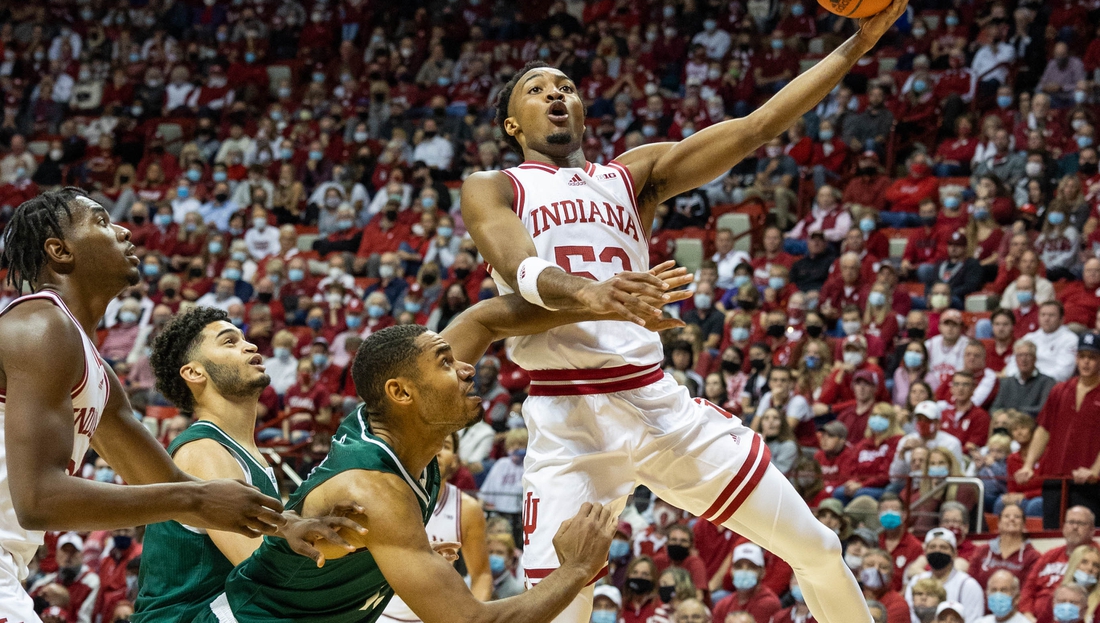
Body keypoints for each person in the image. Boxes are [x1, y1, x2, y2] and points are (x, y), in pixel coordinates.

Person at [459, 0, 916, 623]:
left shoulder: (631, 175)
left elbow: (756, 128)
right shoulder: (493, 185)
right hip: (568, 425)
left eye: (566, 86)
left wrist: (855, 45)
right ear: (512, 122)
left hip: (656, 404)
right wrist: (594, 295)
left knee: (817, 547)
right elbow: (520, 265)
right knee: (556, 613)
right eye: (537, 89)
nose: (556, 94)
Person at [196, 266, 690, 623]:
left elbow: (482, 321)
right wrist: (577, 569)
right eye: (446, 363)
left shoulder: (397, 418)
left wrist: (600, 299)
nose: (468, 368)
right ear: (402, 392)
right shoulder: (375, 490)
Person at [0, 189, 286, 620]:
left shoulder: (93, 365)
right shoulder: (41, 324)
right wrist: (197, 500)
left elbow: (163, 479)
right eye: (101, 222)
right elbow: (39, 499)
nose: (124, 230)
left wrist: (292, 527)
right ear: (59, 251)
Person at [133, 308, 373, 621]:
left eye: (245, 339)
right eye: (229, 342)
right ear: (194, 373)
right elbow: (260, 568)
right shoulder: (204, 451)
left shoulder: (249, 454)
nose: (250, 346)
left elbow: (286, 550)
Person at [379, 432, 495, 621]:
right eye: (431, 441)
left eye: (446, 446)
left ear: (455, 461)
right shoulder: (385, 497)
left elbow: (482, 575)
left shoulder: (467, 509)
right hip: (383, 614)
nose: (438, 451)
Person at [1017, 334, 1100, 527]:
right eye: (1082, 356)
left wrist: (1094, 471)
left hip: (1090, 483)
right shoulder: (1059, 390)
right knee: (1051, 533)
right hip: (1055, 478)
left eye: (1092, 357)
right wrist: (1029, 464)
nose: (1086, 362)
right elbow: (1044, 429)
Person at [1018, 507, 1098, 617]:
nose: (1075, 527)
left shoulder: (1095, 557)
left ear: (1092, 530)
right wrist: (1028, 616)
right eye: (1071, 522)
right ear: (1064, 526)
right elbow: (1028, 590)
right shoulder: (1050, 555)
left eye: (1081, 523)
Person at [903, 529, 984, 623]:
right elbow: (911, 617)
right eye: (932, 547)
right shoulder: (916, 581)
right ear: (925, 552)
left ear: (954, 553)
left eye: (943, 547)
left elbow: (973, 620)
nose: (937, 550)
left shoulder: (968, 585)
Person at [967, 503, 1040, 590]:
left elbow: (1030, 589)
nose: (1011, 519)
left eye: (1017, 517)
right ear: (999, 523)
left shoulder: (1033, 557)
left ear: (1024, 524)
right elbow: (970, 582)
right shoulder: (982, 551)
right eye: (1006, 516)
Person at [712, 543, 784, 623]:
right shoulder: (723, 605)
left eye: (751, 567)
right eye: (739, 566)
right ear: (732, 571)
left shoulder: (768, 603)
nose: (744, 571)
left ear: (762, 572)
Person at [991, 340, 1054, 418]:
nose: (1023, 359)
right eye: (1019, 355)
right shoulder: (1006, 382)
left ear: (1034, 358)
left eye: (1027, 355)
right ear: (1015, 359)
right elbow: (994, 408)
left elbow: (1043, 409)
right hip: (1007, 424)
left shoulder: (1047, 382)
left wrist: (1014, 412)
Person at [1020, 303, 1079, 383]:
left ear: (1062, 319)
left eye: (1051, 315)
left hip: (1052, 385)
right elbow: (1013, 364)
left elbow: (1063, 373)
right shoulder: (1029, 338)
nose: (1046, 319)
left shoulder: (1070, 339)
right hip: (1025, 382)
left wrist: (1035, 381)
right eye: (1043, 315)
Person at [861, 548, 912, 623]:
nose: (876, 569)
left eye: (883, 567)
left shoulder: (898, 604)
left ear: (891, 575)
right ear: (860, 571)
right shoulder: (853, 597)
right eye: (870, 565)